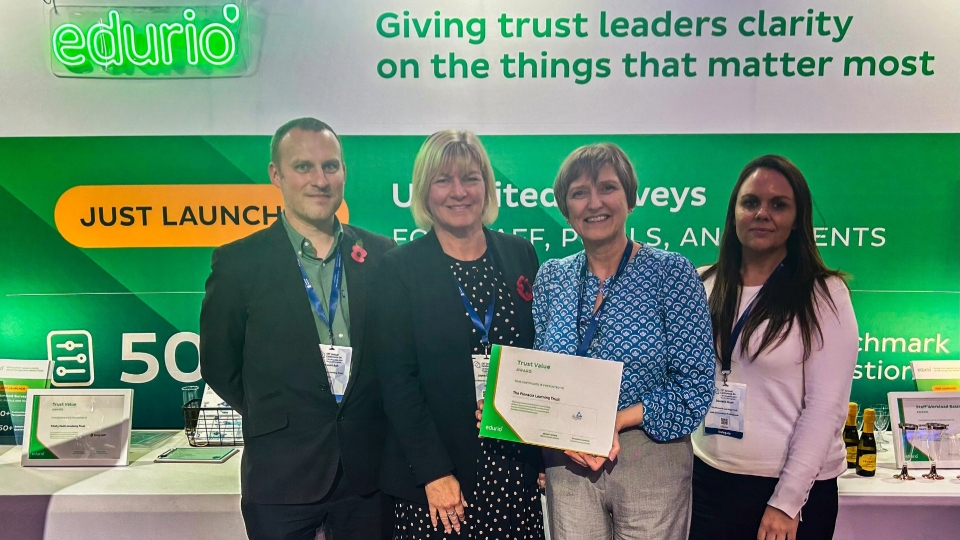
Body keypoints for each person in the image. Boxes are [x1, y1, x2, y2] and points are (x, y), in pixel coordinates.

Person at [199, 117, 395, 540]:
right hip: (280, 476)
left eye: (331, 166)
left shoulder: (381, 255)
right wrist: (279, 416)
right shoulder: (238, 263)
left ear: (344, 171)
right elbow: (219, 363)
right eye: (304, 167)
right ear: (276, 175)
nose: (320, 180)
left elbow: (397, 358)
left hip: (368, 477)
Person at [533, 143, 716, 540]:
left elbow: (696, 386)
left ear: (630, 198)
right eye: (579, 193)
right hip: (569, 460)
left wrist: (615, 419)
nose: (594, 202)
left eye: (607, 188)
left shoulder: (672, 273)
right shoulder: (552, 278)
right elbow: (543, 375)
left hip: (649, 452)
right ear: (566, 208)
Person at [371, 130, 545, 539]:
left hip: (514, 472)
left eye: (470, 178)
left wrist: (542, 448)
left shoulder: (520, 254)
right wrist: (434, 471)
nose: (459, 191)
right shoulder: (398, 269)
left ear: (487, 185)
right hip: (439, 483)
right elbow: (397, 383)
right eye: (442, 180)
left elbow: (538, 357)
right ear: (424, 192)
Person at [689, 155, 859, 540]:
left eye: (778, 204)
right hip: (708, 482)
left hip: (790, 493)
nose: (762, 213)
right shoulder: (703, 284)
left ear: (798, 218)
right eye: (750, 202)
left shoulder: (824, 295)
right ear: (734, 212)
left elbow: (825, 407)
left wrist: (786, 501)